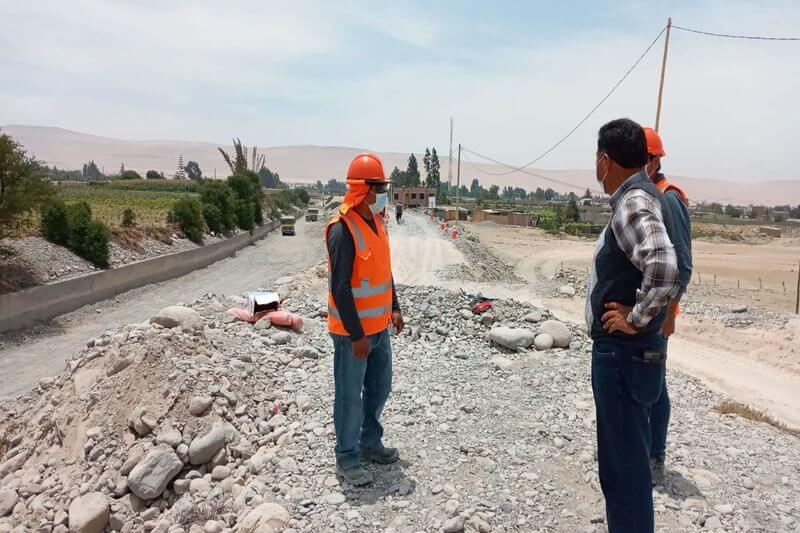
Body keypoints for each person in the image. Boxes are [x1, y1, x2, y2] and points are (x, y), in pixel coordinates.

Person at [587, 118, 680, 533]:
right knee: (625, 466)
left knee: (624, 473)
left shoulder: (632, 202)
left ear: (605, 161)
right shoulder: (640, 196)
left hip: (623, 356)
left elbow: (663, 265)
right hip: (629, 357)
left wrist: (634, 318)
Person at [325, 152, 405, 486]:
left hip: (379, 328)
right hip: (352, 335)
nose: (383, 193)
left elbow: (383, 271)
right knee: (349, 395)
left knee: (379, 387)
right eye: (379, 186)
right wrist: (357, 335)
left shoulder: (378, 222)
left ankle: (370, 442)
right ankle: (347, 457)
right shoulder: (342, 230)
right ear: (362, 189)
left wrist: (395, 308)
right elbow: (340, 288)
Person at [642, 127, 693, 486]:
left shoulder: (668, 199)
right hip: (639, 310)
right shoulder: (642, 196)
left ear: (654, 160)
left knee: (654, 386)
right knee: (639, 383)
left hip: (657, 314)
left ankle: (655, 456)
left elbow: (682, 265)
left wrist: (670, 312)